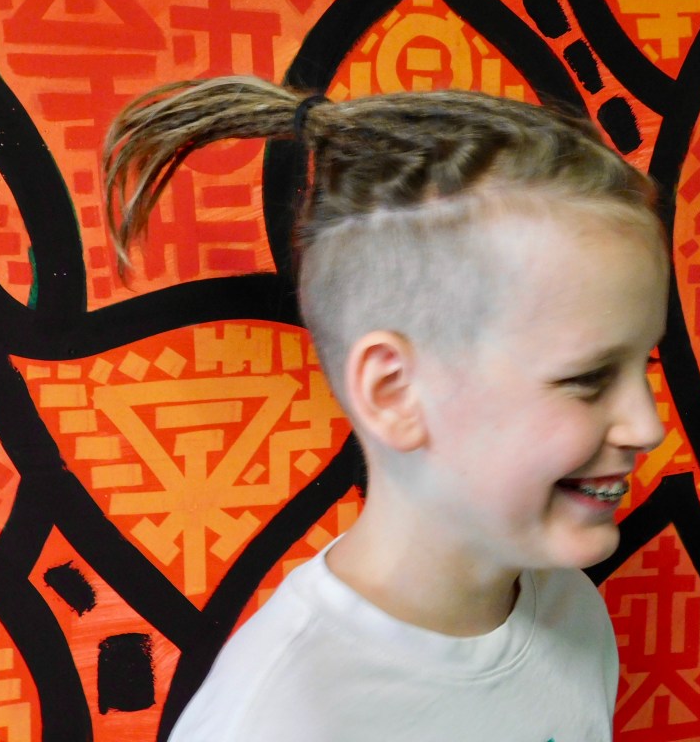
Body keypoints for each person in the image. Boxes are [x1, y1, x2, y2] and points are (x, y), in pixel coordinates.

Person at [104, 76, 669, 741]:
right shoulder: (277, 719)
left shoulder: (570, 610)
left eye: (645, 368)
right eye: (587, 379)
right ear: (394, 392)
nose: (649, 426)